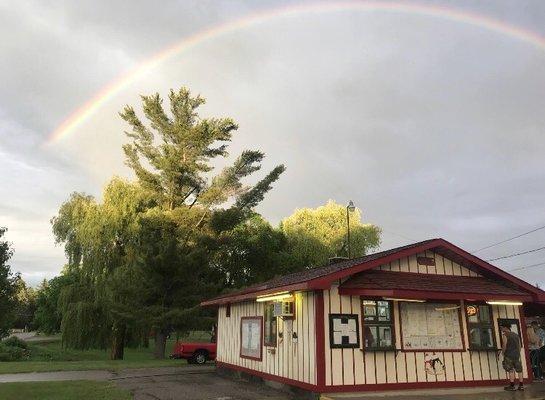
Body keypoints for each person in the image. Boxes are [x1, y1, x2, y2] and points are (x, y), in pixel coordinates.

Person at [500, 322, 524, 391]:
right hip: (516, 355)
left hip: (509, 355)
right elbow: (519, 346)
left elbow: (504, 345)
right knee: (519, 370)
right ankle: (521, 385)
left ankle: (512, 386)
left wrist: (503, 352)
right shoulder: (516, 335)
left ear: (505, 327)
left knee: (511, 370)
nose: (501, 329)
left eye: (502, 327)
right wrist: (517, 353)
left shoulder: (505, 335)